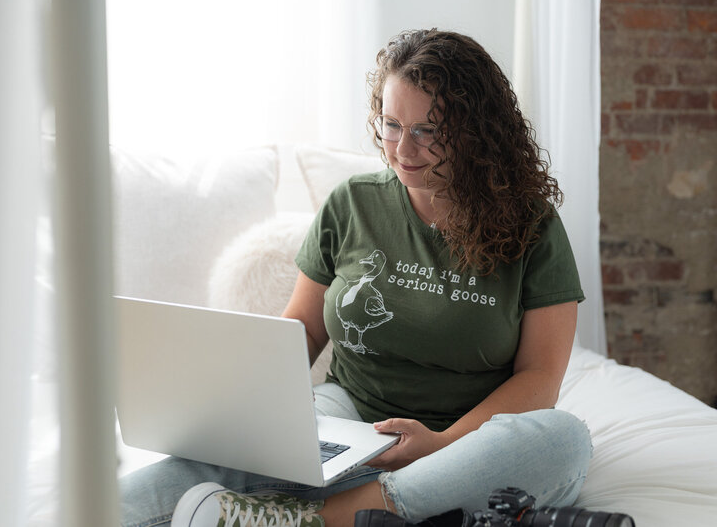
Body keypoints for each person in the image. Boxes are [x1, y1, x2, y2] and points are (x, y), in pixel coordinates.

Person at [120, 28, 591, 527]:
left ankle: (315, 518)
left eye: (427, 130)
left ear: (478, 131)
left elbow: (540, 378)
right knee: (171, 479)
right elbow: (302, 330)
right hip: (347, 417)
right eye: (391, 125)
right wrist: (242, 412)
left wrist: (441, 445)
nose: (402, 148)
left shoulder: (532, 226)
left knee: (564, 441)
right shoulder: (353, 203)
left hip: (467, 443)